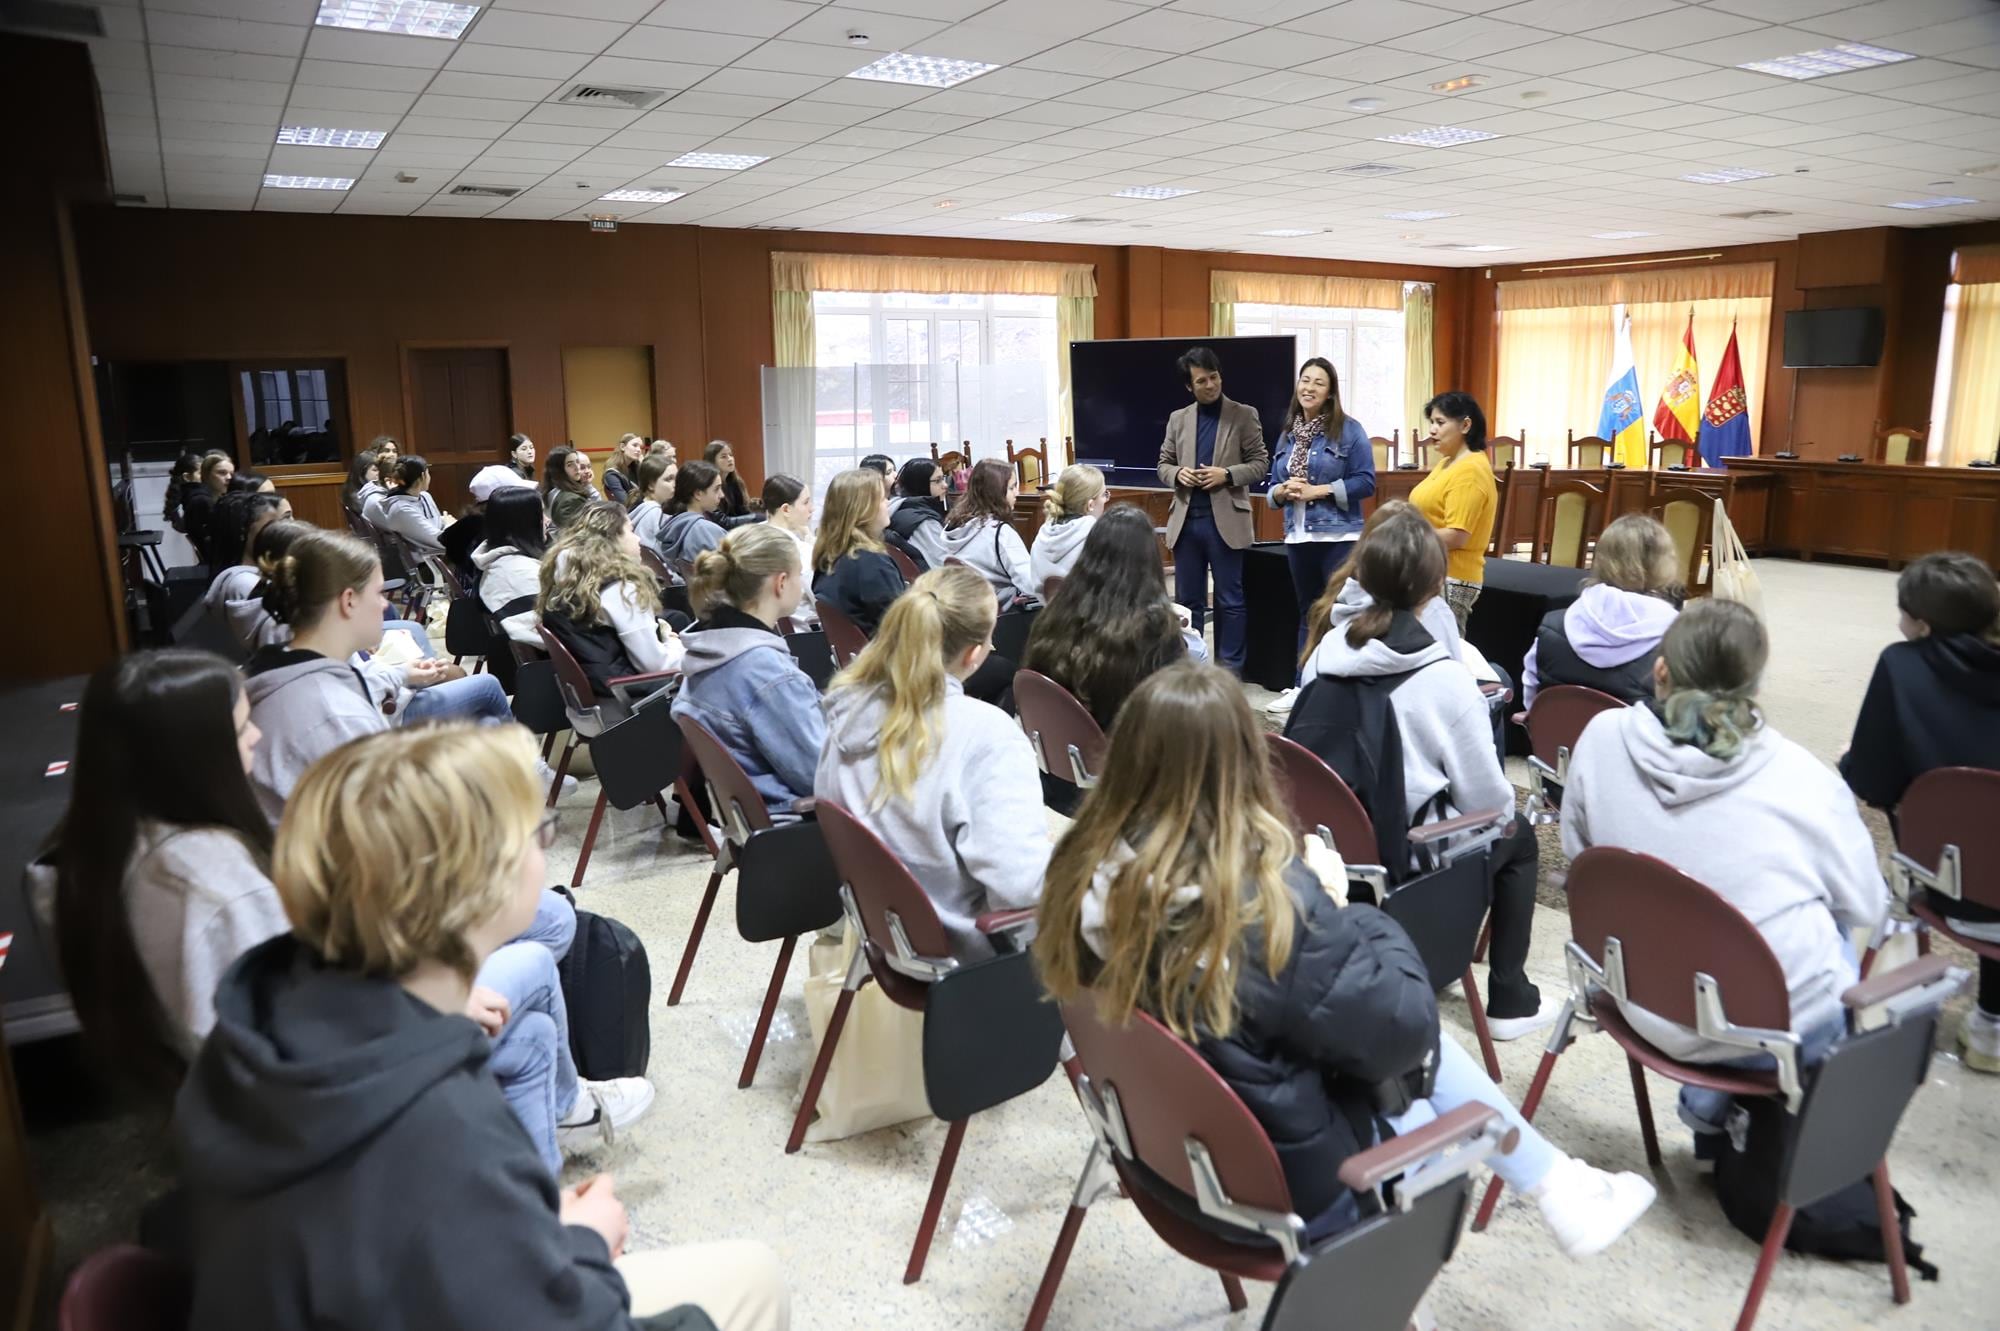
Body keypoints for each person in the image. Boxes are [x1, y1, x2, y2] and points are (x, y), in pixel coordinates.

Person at [173, 725, 786, 1331]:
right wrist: (583, 1249)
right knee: (755, 1277)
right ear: (475, 883)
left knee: (531, 1040)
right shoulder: (445, 1131)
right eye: (537, 833)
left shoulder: (263, 1014)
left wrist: (535, 1238)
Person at [1033, 661, 1656, 1255]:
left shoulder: (1084, 869)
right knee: (1420, 1039)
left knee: (1389, 1035)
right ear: (1245, 768)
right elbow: (1403, 1032)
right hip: (1293, 1184)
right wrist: (1336, 906)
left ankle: (1557, 1183)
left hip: (1164, 1144)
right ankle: (1554, 1184)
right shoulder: (1259, 911)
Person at [1564, 599, 1886, 1140]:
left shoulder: (1599, 738)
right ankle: (1723, 1115)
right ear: (1754, 688)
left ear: (1660, 669)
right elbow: (1868, 908)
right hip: (1761, 1033)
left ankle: (1713, 1112)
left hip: (1631, 995)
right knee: (1834, 935)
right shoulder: (1806, 782)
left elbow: (1582, 864)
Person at [1290, 507, 1553, 1039]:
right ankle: (1509, 999)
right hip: (1406, 862)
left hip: (1323, 851)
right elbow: (1491, 805)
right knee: (1519, 834)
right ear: (1435, 586)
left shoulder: (1321, 658)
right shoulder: (1445, 680)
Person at [54, 649, 283, 1091]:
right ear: (194, 756)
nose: (256, 736)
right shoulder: (221, 892)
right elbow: (282, 1034)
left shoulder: (100, 841)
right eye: (240, 729)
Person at [816, 565, 1046, 959]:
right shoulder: (987, 735)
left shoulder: (846, 711)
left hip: (883, 935)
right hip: (974, 957)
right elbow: (1021, 887)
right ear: (974, 655)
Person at [242, 528, 539, 820]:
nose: (385, 605)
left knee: (483, 733)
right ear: (349, 601)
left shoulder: (282, 667)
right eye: (379, 593)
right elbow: (384, 834)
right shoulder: (337, 715)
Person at [1839, 551, 2000, 1071]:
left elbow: (1870, 782)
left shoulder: (1900, 664)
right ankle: (1991, 1021)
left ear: (1923, 624)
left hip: (1952, 885)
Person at [674, 525, 824, 820]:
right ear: (781, 582)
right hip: (802, 827)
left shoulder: (707, 649)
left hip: (756, 824)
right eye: (799, 574)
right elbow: (822, 776)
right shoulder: (768, 675)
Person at [1023, 506, 1196, 734]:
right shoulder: (1156, 632)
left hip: (1061, 752)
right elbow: (1176, 717)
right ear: (1149, 561)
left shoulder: (1056, 613)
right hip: (1128, 757)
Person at [1157, 347, 1269, 675]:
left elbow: (1261, 463)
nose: (1211, 385)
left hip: (1227, 521)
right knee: (1188, 601)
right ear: (1189, 387)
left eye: (1214, 377)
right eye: (1202, 381)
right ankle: (1192, 668)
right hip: (1187, 522)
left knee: (1230, 600)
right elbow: (1163, 464)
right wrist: (1178, 474)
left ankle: (1229, 671)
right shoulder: (1178, 419)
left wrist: (1228, 475)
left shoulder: (1243, 414)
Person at [1268, 357, 1376, 660]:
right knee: (1309, 614)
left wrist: (1320, 490)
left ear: (1330, 392)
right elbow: (1273, 486)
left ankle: (1341, 685)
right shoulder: (1288, 433)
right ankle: (1304, 684)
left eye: (1318, 382)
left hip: (1338, 537)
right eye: (1305, 380)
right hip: (1297, 536)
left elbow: (1366, 482)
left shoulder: (1350, 430)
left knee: (1340, 614)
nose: (1309, 388)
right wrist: (1282, 491)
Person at [1522, 514, 1681, 710]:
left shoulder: (1553, 625)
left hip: (1560, 740)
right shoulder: (1679, 637)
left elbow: (1533, 702)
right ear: (1663, 564)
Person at [540, 500, 687, 694]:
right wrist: (676, 645)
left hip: (602, 699)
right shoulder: (621, 589)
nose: (638, 539)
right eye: (631, 531)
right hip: (636, 701)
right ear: (612, 538)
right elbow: (656, 665)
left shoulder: (569, 577)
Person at [1408, 391, 1497, 633]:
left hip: (1451, 577)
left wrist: (1405, 538)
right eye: (1431, 423)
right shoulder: (1447, 463)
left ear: (1466, 425)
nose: (1432, 431)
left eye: (1440, 422)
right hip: (1430, 572)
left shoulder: (1470, 470)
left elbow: (1458, 535)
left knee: (1442, 654)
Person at [812, 467, 904, 635]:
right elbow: (905, 628)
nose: (888, 502)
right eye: (883, 498)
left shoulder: (828, 559)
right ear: (864, 509)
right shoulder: (872, 563)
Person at [199, 492, 295, 649]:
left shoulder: (248, 575)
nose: (280, 531)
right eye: (272, 525)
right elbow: (277, 641)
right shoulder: (245, 583)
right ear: (244, 531)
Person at [939, 459, 1037, 605]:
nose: (1017, 492)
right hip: (1000, 613)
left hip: (965, 610)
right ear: (996, 493)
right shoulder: (999, 532)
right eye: (1012, 487)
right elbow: (1031, 585)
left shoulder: (952, 526)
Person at [473, 486, 550, 649]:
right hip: (551, 664)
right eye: (541, 514)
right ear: (524, 523)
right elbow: (545, 638)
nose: (548, 520)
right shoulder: (518, 573)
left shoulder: (506, 562)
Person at [1028, 463, 1107, 593]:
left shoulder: (1042, 533)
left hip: (1048, 611)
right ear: (1090, 505)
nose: (1106, 500)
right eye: (1104, 494)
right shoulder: (1098, 537)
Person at [760, 473, 816, 627]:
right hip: (806, 635)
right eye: (805, 503)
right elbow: (822, 601)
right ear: (786, 509)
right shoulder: (801, 552)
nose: (812, 508)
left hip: (768, 630)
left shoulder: (751, 536)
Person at [659, 460, 727, 571]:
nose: (722, 495)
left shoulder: (673, 526)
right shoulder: (707, 531)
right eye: (716, 489)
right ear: (698, 494)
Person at [375, 455, 448, 555]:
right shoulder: (402, 510)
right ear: (423, 476)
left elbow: (440, 525)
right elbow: (439, 540)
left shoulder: (425, 496)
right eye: (428, 473)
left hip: (440, 553)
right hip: (427, 563)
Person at [887, 458, 948, 570]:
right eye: (938, 480)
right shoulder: (925, 522)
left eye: (944, 479)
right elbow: (943, 563)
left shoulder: (897, 506)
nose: (945, 485)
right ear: (920, 483)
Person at [184, 450, 235, 563]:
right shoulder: (202, 502)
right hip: (218, 564)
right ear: (206, 475)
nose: (229, 477)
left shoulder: (218, 499)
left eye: (231, 473)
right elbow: (214, 544)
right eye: (222, 473)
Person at [626, 453, 675, 559]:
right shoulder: (654, 514)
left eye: (676, 478)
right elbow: (655, 561)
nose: (675, 484)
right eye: (669, 479)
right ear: (651, 485)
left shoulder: (643, 507)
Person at [545, 446, 599, 532]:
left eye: (577, 462)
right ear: (559, 469)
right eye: (570, 465)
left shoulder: (553, 490)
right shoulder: (571, 499)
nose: (577, 467)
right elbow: (577, 535)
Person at [706, 440, 753, 520]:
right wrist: (755, 518)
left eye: (731, 455)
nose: (730, 459)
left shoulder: (736, 482)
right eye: (724, 456)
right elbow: (722, 522)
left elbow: (744, 511)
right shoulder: (709, 486)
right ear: (712, 461)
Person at [164, 448, 204, 533]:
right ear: (187, 477)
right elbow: (182, 526)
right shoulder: (194, 497)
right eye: (200, 473)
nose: (205, 476)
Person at [603, 434, 646, 509]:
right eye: (635, 445)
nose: (639, 450)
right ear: (622, 447)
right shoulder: (611, 474)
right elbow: (625, 502)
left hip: (642, 509)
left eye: (640, 447)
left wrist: (645, 467)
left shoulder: (636, 467)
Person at [343, 449, 382, 519]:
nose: (379, 473)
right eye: (375, 470)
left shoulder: (352, 489)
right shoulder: (362, 498)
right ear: (362, 472)